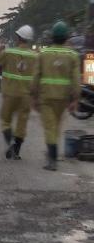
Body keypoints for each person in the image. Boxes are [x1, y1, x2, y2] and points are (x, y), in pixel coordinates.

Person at [32, 21, 81, 171]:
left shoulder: (43, 54)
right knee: (56, 126)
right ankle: (52, 153)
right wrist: (75, 99)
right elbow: (76, 80)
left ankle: (52, 159)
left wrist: (33, 97)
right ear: (66, 38)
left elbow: (36, 77)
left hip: (46, 98)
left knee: (49, 127)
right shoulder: (73, 55)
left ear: (52, 37)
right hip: (63, 98)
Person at [0, 25, 37, 159]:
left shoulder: (9, 53)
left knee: (5, 120)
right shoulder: (35, 56)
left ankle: (9, 141)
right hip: (26, 96)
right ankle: (16, 151)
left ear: (18, 38)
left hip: (10, 94)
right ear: (29, 40)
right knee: (22, 122)